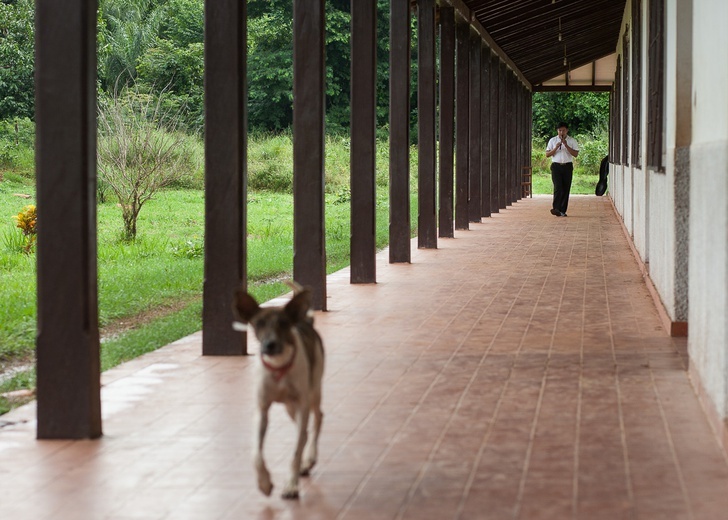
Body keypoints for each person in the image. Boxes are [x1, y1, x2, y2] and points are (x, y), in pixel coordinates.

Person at [545, 122, 579, 217]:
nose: (561, 132)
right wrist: (556, 147)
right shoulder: (552, 140)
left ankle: (562, 210)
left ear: (567, 130)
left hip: (567, 166)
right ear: (557, 131)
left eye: (563, 130)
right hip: (556, 166)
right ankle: (556, 208)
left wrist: (566, 145)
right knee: (558, 187)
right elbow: (547, 154)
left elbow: (575, 154)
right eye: (559, 130)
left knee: (566, 188)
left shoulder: (572, 141)